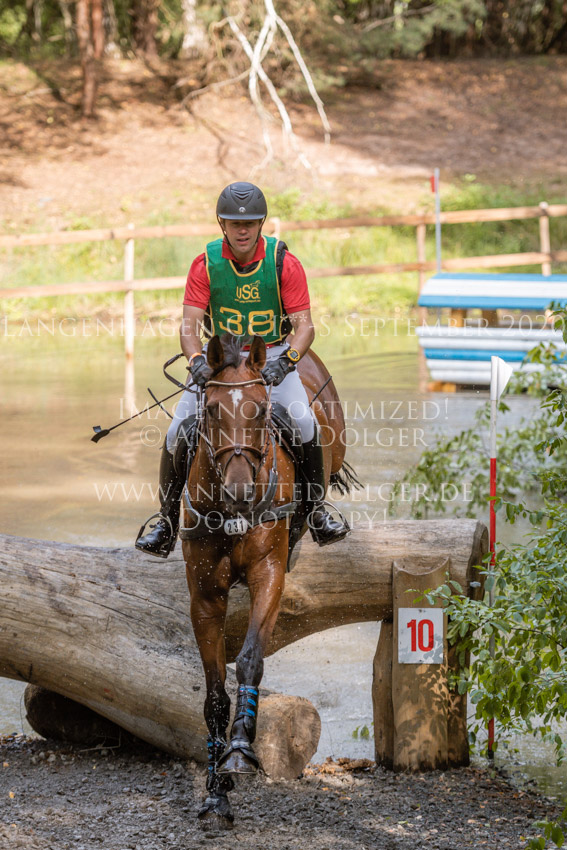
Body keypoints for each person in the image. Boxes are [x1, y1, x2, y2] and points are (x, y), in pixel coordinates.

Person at [135, 181, 349, 558]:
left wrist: (288, 361)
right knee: (176, 430)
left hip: (272, 356)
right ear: (223, 224)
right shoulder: (205, 264)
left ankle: (317, 511)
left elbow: (305, 327)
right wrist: (196, 361)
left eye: (250, 222)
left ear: (261, 223)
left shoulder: (284, 263)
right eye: (235, 223)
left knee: (303, 423)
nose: (243, 230)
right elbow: (189, 326)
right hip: (220, 359)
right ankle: (166, 521)